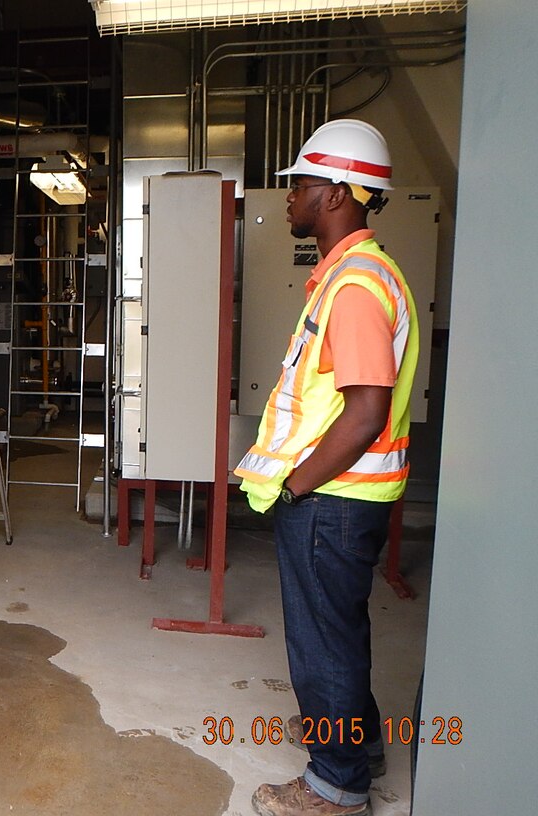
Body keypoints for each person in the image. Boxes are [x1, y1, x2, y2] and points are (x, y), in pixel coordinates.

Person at [234, 119, 419, 816]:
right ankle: (358, 741)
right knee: (337, 628)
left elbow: (366, 409)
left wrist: (295, 484)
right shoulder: (351, 275)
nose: (289, 197)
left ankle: (336, 786)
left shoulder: (357, 286)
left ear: (338, 192)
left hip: (333, 497)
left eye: (301, 184)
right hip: (348, 495)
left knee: (323, 643)